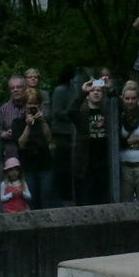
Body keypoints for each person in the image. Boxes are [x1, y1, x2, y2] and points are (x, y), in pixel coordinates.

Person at [11, 88, 57, 210]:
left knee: (46, 200)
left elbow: (49, 138)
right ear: (25, 105)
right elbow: (21, 144)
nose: (32, 106)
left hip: (45, 165)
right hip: (28, 166)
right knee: (31, 201)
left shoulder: (45, 121)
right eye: (29, 103)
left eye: (35, 103)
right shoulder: (18, 122)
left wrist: (42, 122)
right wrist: (28, 126)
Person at [67, 78, 110, 205]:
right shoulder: (81, 113)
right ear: (87, 95)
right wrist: (82, 91)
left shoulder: (108, 113)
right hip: (85, 167)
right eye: (92, 91)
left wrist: (110, 89)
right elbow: (70, 112)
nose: (96, 93)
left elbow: (118, 106)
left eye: (99, 90)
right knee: (84, 203)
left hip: (103, 166)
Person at [50, 65, 76, 202]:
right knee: (63, 169)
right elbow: (57, 112)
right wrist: (73, 115)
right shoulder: (60, 90)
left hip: (74, 136)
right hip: (62, 136)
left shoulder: (74, 90)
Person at [0, 75, 28, 159]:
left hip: (30, 148)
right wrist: (4, 134)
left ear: (25, 88)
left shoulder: (31, 105)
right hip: (11, 150)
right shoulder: (4, 109)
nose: (15, 90)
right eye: (12, 88)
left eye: (18, 87)